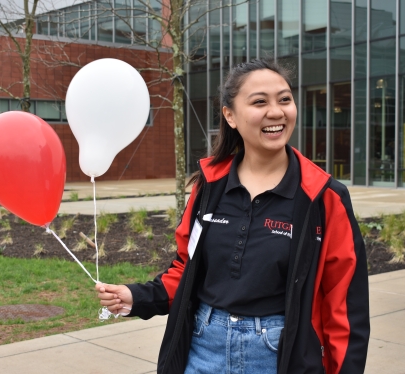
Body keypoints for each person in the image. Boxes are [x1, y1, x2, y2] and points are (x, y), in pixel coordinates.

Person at [96, 59, 370, 374]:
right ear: (230, 115)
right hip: (202, 350)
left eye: (284, 99)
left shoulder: (323, 196)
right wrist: (138, 296)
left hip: (279, 355)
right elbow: (187, 269)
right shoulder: (209, 188)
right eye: (259, 102)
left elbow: (345, 306)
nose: (277, 112)